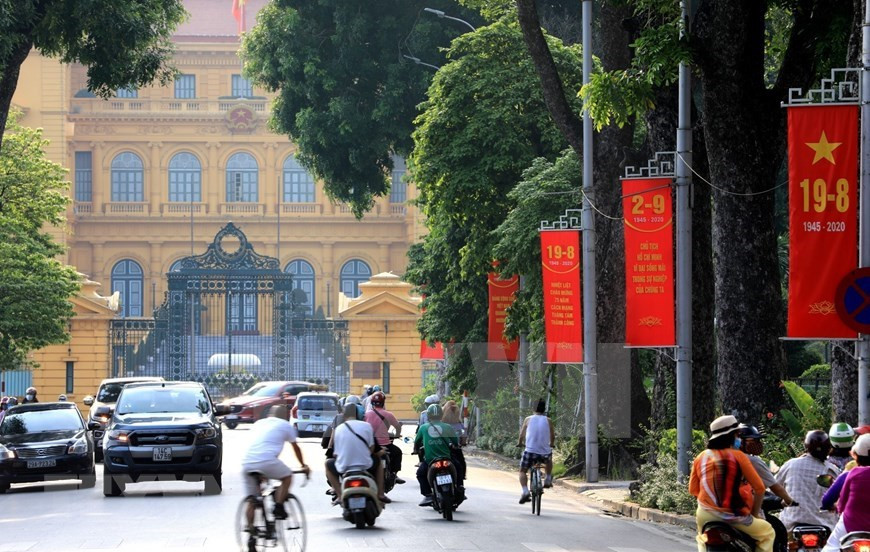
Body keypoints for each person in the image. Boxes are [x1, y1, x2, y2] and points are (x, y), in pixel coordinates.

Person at [689, 415, 775, 552]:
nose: (739, 439)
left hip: (705, 515)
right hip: (734, 515)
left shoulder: (701, 457)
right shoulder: (738, 456)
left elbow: (693, 490)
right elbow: (759, 488)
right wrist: (754, 514)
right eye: (738, 435)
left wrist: (710, 504)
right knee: (768, 533)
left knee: (702, 538)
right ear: (732, 436)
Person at [241, 404, 310, 535]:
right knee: (287, 476)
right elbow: (296, 448)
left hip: (248, 462)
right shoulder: (285, 425)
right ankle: (278, 506)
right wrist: (303, 465)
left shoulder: (259, 423)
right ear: (285, 416)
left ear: (270, 414)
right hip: (266, 461)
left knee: (252, 499)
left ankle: (251, 532)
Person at [738, 424, 794, 552]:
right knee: (771, 533)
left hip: (715, 510)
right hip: (744, 510)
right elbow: (774, 488)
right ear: (740, 441)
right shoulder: (753, 461)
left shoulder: (719, 457)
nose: (758, 444)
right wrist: (789, 500)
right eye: (754, 440)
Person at [775, 430, 839, 534]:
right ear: (828, 448)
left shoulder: (791, 464)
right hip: (826, 525)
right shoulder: (832, 470)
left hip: (791, 524)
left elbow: (774, 487)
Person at [326, 402, 390, 504]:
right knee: (379, 462)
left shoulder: (338, 429)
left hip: (344, 467)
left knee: (327, 464)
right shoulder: (367, 426)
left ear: (344, 415)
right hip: (365, 465)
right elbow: (372, 449)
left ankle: (339, 495)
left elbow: (335, 454)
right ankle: (381, 494)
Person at [821, 434, 870, 552]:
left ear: (856, 455)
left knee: (830, 549)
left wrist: (837, 508)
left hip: (850, 526)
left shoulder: (852, 473)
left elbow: (841, 503)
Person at [414, 403, 461, 507]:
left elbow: (417, 441)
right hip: (447, 459)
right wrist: (455, 445)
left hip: (430, 460)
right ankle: (459, 487)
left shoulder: (423, 427)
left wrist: (416, 450)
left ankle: (428, 495)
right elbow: (455, 441)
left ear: (428, 415)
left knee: (420, 474)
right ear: (441, 414)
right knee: (458, 467)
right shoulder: (447, 427)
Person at [364, 391, 405, 484]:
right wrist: (397, 434)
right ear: (383, 403)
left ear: (372, 403)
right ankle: (394, 474)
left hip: (371, 445)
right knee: (398, 452)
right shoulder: (389, 414)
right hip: (386, 445)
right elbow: (398, 427)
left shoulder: (366, 415)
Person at [518, 399, 554, 504]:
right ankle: (548, 478)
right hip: (544, 453)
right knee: (549, 459)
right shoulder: (548, 420)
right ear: (544, 409)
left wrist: (520, 443)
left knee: (522, 471)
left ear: (533, 408)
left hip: (530, 452)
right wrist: (551, 444)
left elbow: (521, 435)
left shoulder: (528, 419)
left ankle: (525, 491)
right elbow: (552, 435)